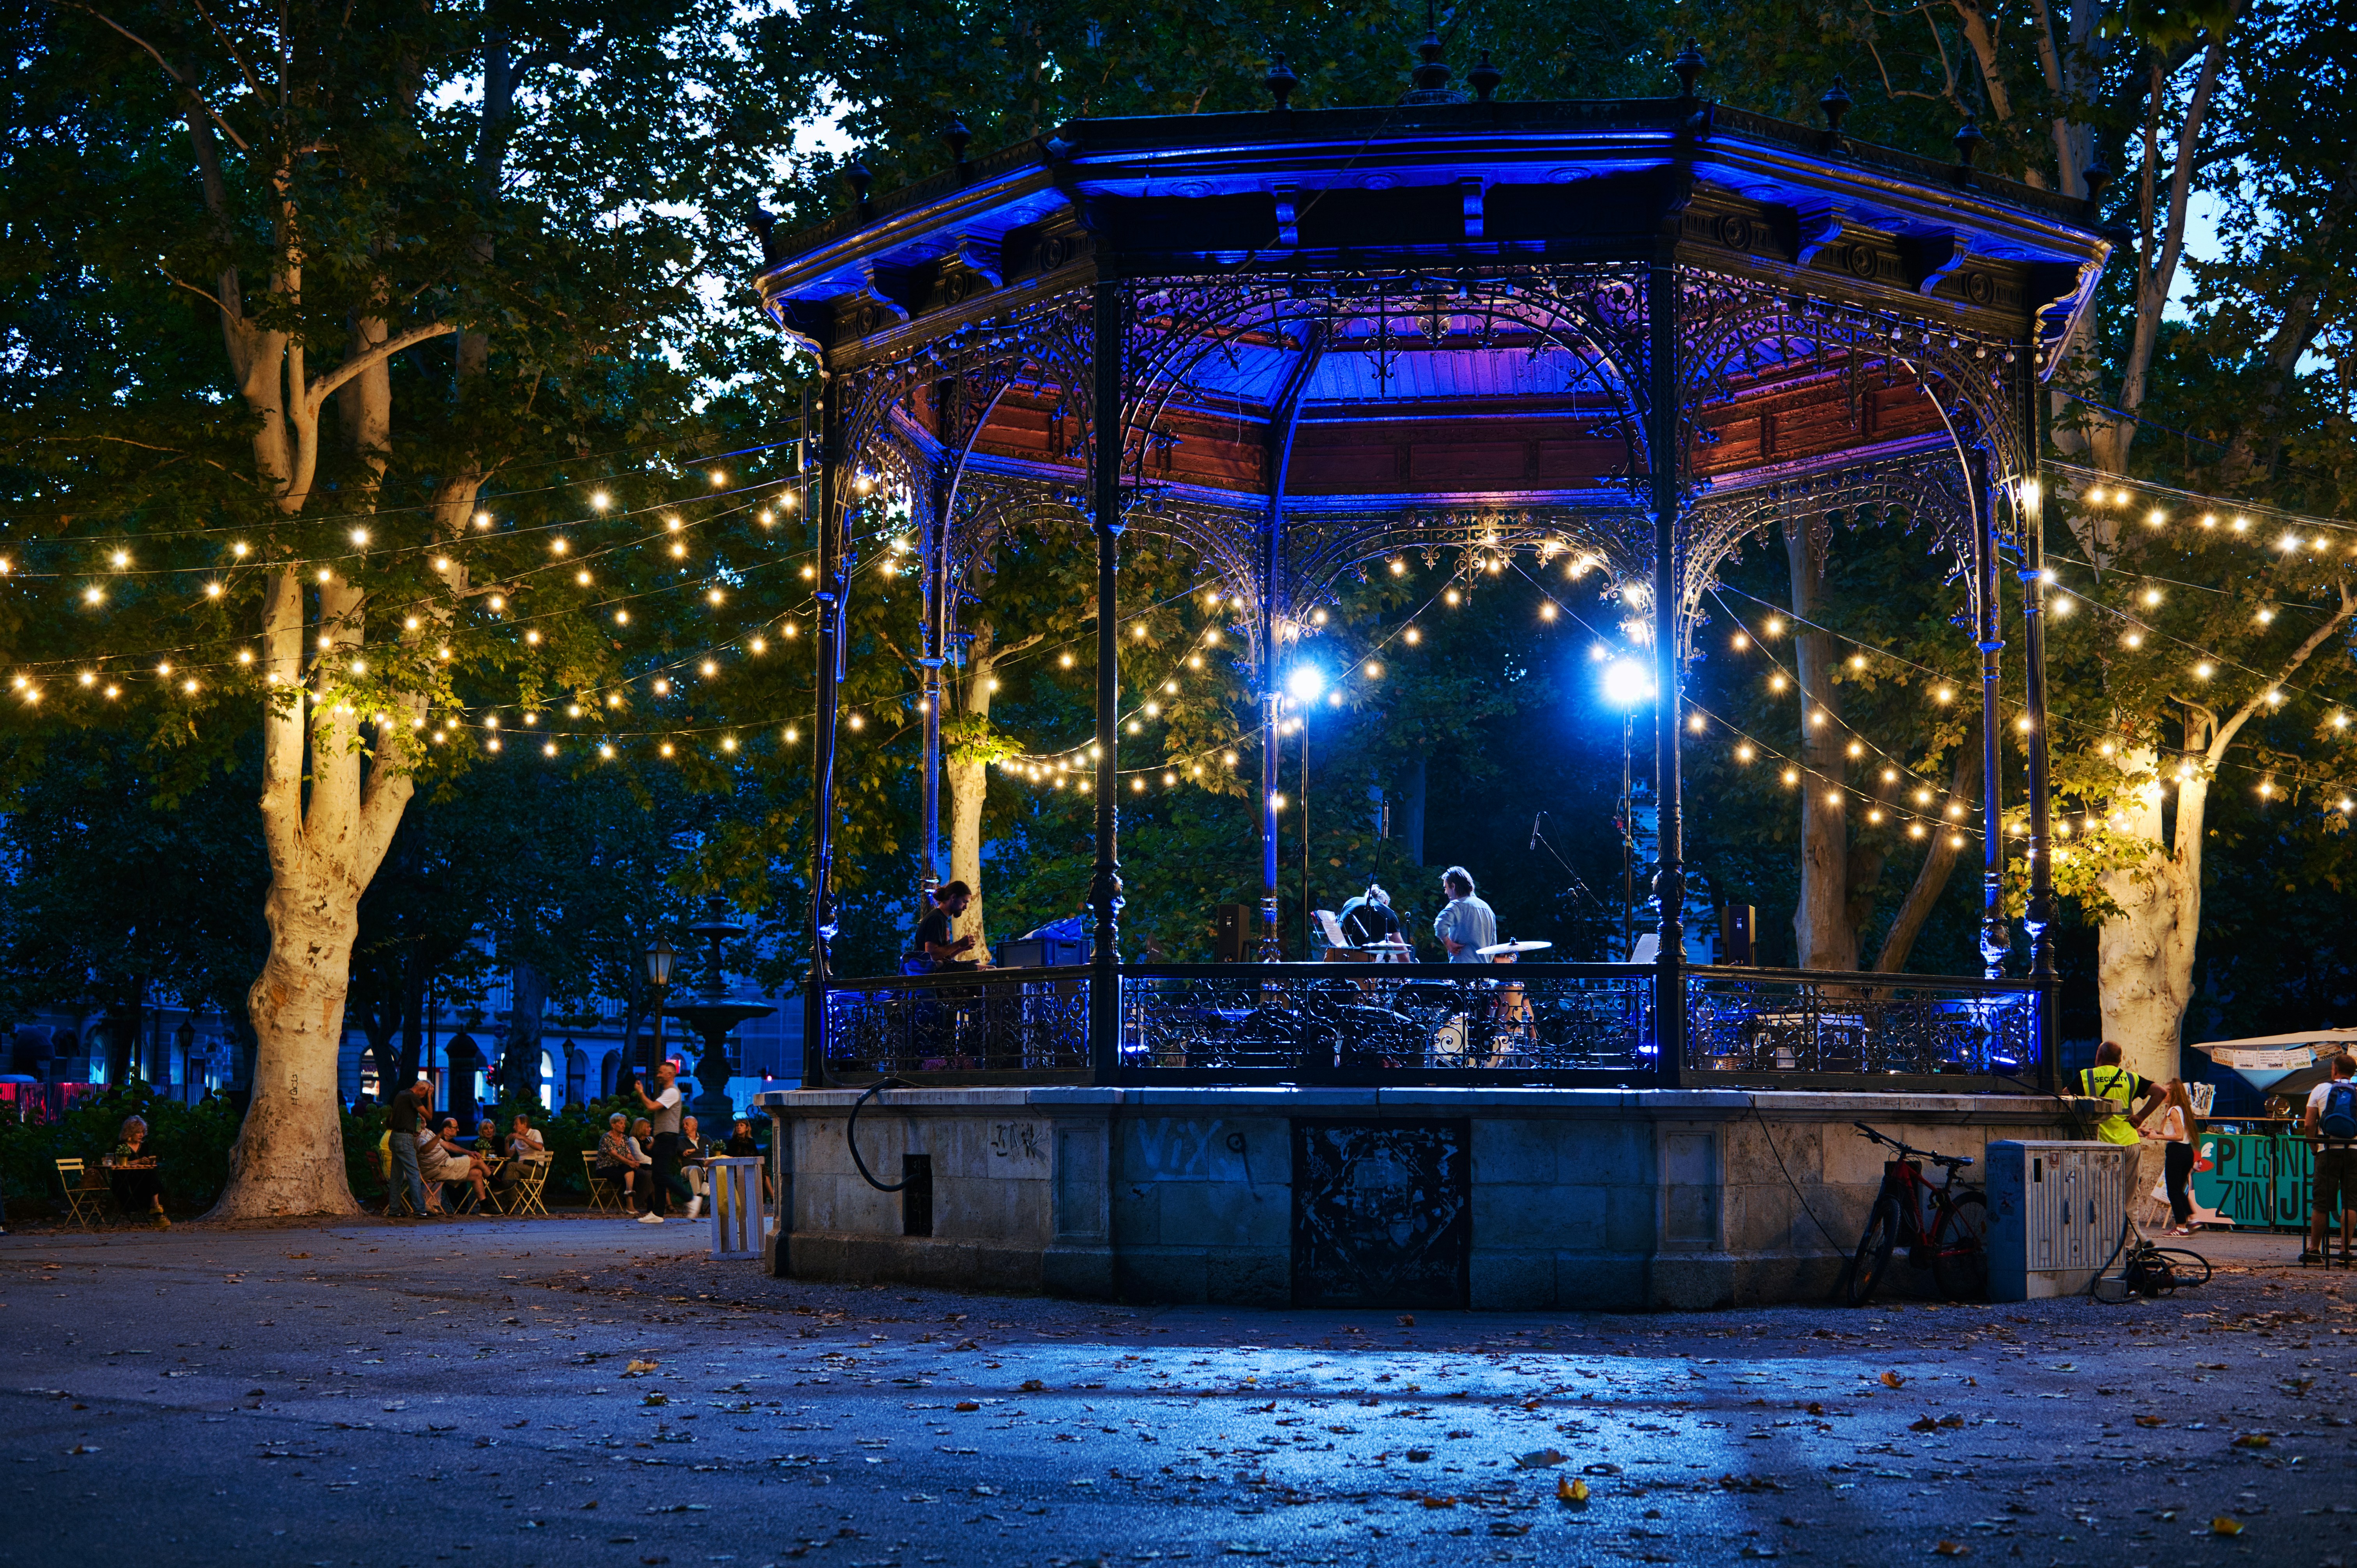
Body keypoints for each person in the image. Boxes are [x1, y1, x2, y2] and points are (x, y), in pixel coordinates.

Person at [2302, 1051, 2357, 1264]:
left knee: (2322, 1203)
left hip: (2327, 1150)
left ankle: (2314, 1250)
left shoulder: (2320, 1089)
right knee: (2351, 1202)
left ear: (2334, 1070)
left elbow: (2308, 1124)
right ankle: (2345, 1252)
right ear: (2353, 1073)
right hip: (2354, 1151)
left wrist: (2314, 1147)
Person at [2079, 1041, 2168, 1146]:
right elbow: (2160, 1092)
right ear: (2120, 1061)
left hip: (2102, 1144)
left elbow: (2062, 1098)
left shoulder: (2087, 1076)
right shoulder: (2131, 1078)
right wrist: (2140, 1117)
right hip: (2130, 1142)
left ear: (2098, 1057)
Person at [2140, 1079, 2199, 1234]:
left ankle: (2181, 1227)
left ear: (2173, 1093)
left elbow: (2179, 1136)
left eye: (2166, 1091)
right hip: (2186, 1151)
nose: (2163, 1094)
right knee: (2179, 1189)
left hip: (2177, 1152)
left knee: (2173, 1190)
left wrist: (2158, 1138)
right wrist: (2156, 1133)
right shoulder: (2181, 1109)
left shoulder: (2173, 1110)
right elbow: (2175, 1133)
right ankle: (2193, 1220)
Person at [633, 1061, 688, 1224]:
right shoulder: (667, 1093)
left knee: (661, 1175)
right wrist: (655, 1140)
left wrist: (641, 1092)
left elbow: (651, 1107)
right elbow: (666, 1119)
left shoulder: (672, 1092)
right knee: (658, 1176)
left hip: (668, 1139)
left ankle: (690, 1199)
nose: (658, 1075)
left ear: (671, 1074)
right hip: (663, 1138)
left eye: (662, 1072)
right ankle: (657, 1213)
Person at [418, 1117, 491, 1213]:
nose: (423, 1118)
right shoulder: (417, 1135)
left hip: (445, 1167)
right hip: (438, 1168)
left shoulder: (429, 1132)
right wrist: (440, 1135)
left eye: (423, 1116)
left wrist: (468, 1152)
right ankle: (496, 1184)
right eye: (419, 1117)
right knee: (476, 1160)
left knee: (477, 1173)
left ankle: (484, 1208)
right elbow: (424, 1150)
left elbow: (448, 1145)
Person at [905, 881, 980, 974]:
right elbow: (931, 954)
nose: (965, 907)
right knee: (989, 970)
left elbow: (942, 957)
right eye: (964, 902)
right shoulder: (936, 919)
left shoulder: (942, 919)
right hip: (932, 974)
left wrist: (961, 948)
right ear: (953, 897)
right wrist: (959, 944)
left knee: (988, 969)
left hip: (940, 970)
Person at [106, 1115, 168, 1227]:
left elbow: (147, 1159)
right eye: (138, 1132)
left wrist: (150, 1162)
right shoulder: (121, 1146)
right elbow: (118, 1163)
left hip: (142, 1176)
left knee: (151, 1173)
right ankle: (157, 1210)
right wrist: (138, 1161)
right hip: (126, 1176)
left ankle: (156, 1205)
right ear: (130, 1133)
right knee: (150, 1176)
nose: (142, 1135)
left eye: (143, 1132)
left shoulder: (145, 1146)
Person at [385, 1076, 430, 1218]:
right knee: (414, 1173)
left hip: (395, 1136)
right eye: (426, 1093)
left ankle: (394, 1209)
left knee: (396, 1176)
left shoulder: (401, 1094)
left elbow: (393, 1118)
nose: (424, 1097)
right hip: (405, 1139)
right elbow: (429, 1116)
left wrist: (409, 1127)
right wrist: (429, 1097)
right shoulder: (412, 1097)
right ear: (422, 1089)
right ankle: (420, 1209)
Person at [1433, 866, 1497, 963]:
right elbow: (1493, 945)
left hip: (1462, 972)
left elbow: (1439, 925)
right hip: (1483, 973)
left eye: (1446, 887)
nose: (1446, 892)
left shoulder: (1456, 906)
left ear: (1453, 886)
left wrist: (1448, 944)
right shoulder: (1487, 909)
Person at [595, 1112, 642, 1208]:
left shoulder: (625, 1138)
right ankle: (630, 1205)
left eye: (624, 1123)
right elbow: (615, 1155)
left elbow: (628, 1154)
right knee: (630, 1174)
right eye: (621, 1123)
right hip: (605, 1168)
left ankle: (628, 1194)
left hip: (620, 1167)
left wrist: (633, 1161)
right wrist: (630, 1163)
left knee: (632, 1173)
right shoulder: (606, 1138)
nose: (624, 1126)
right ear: (613, 1125)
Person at [1339, 882, 1402, 948]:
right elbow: (1401, 950)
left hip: (1334, 952)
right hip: (1362, 956)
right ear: (1385, 902)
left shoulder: (1351, 902)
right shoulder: (1389, 912)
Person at [677, 1115, 709, 1220]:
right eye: (683, 1125)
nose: (684, 1127)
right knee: (695, 1169)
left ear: (695, 1125)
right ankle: (698, 1199)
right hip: (688, 1168)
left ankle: (704, 1197)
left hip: (705, 1168)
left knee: (717, 1171)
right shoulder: (681, 1140)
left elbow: (713, 1150)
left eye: (687, 1124)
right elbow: (680, 1151)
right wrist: (702, 1151)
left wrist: (694, 1151)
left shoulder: (705, 1138)